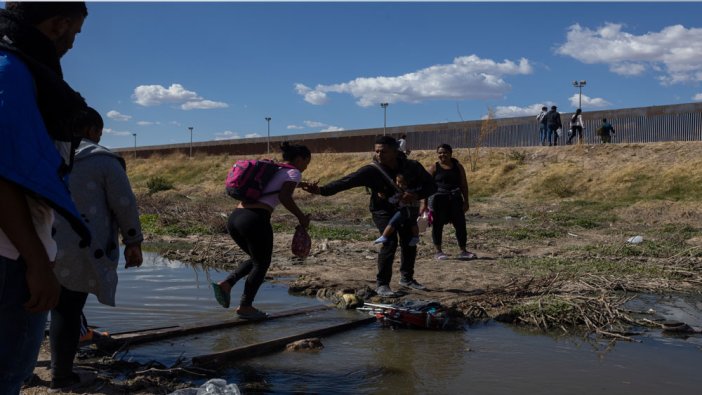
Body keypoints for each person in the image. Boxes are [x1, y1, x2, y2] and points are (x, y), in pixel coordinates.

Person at [0, 3, 90, 394]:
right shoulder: (14, 72)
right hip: (9, 256)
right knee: (7, 376)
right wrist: (37, 260)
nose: (72, 44)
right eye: (75, 34)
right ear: (59, 24)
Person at [50, 107, 144, 392]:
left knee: (30, 308)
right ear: (92, 130)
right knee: (67, 308)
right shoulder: (102, 160)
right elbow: (124, 204)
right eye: (100, 132)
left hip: (37, 241)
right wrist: (133, 242)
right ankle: (62, 376)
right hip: (78, 246)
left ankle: (21, 372)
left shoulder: (45, 154)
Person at [302, 135, 436, 297]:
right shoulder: (371, 171)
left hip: (407, 209)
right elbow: (346, 182)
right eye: (377, 151)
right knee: (389, 241)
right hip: (382, 211)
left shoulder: (412, 167)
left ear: (395, 151)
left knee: (409, 242)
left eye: (384, 151)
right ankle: (383, 284)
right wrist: (321, 190)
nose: (379, 155)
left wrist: (415, 195)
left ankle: (407, 278)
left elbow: (432, 186)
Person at [212, 142, 312, 319]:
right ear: (299, 159)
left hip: (236, 218)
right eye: (307, 162)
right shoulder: (293, 172)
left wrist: (300, 184)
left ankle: (227, 284)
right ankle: (245, 307)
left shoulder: (275, 169)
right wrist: (301, 217)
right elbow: (284, 196)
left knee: (257, 259)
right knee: (262, 263)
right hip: (255, 219)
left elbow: (275, 186)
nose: (306, 166)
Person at [421, 144, 475, 260]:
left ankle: (463, 250)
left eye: (445, 152)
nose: (442, 155)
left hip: (455, 199)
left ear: (450, 153)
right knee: (437, 226)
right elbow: (426, 187)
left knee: (460, 225)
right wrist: (424, 205)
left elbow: (464, 185)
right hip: (438, 201)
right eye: (440, 153)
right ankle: (438, 251)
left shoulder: (458, 167)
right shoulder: (434, 168)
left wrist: (466, 201)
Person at [374, 173, 420, 247]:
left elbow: (394, 199)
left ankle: (384, 236)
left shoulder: (407, 192)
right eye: (397, 182)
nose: (398, 184)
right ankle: (415, 237)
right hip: (412, 209)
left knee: (393, 222)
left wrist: (387, 198)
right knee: (413, 223)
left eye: (400, 182)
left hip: (406, 209)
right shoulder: (411, 190)